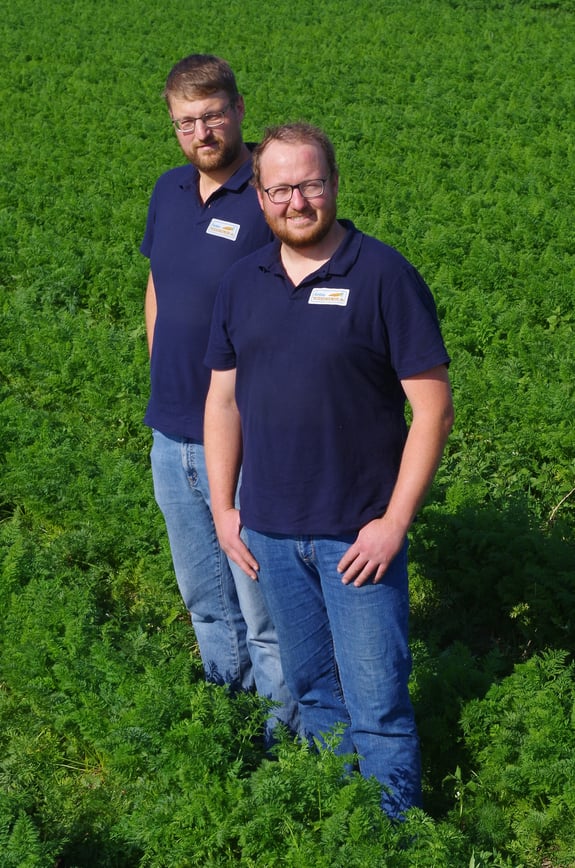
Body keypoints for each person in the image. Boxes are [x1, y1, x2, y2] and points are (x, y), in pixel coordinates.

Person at [204, 122, 454, 818]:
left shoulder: (384, 276)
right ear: (259, 196)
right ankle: (339, 825)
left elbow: (433, 412)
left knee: (378, 706)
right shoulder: (242, 282)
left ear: (335, 185)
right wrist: (224, 508)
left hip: (356, 537)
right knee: (314, 693)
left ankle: (392, 839)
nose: (297, 201)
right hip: (271, 534)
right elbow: (221, 401)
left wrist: (393, 524)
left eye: (311, 184)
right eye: (280, 188)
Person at [141, 55, 297, 733]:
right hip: (171, 431)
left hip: (244, 437)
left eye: (211, 116)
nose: (200, 133)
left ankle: (283, 741)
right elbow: (158, 284)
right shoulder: (169, 190)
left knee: (263, 609)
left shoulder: (269, 195)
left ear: (238, 109)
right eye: (186, 122)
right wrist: (161, 367)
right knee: (205, 596)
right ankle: (228, 721)